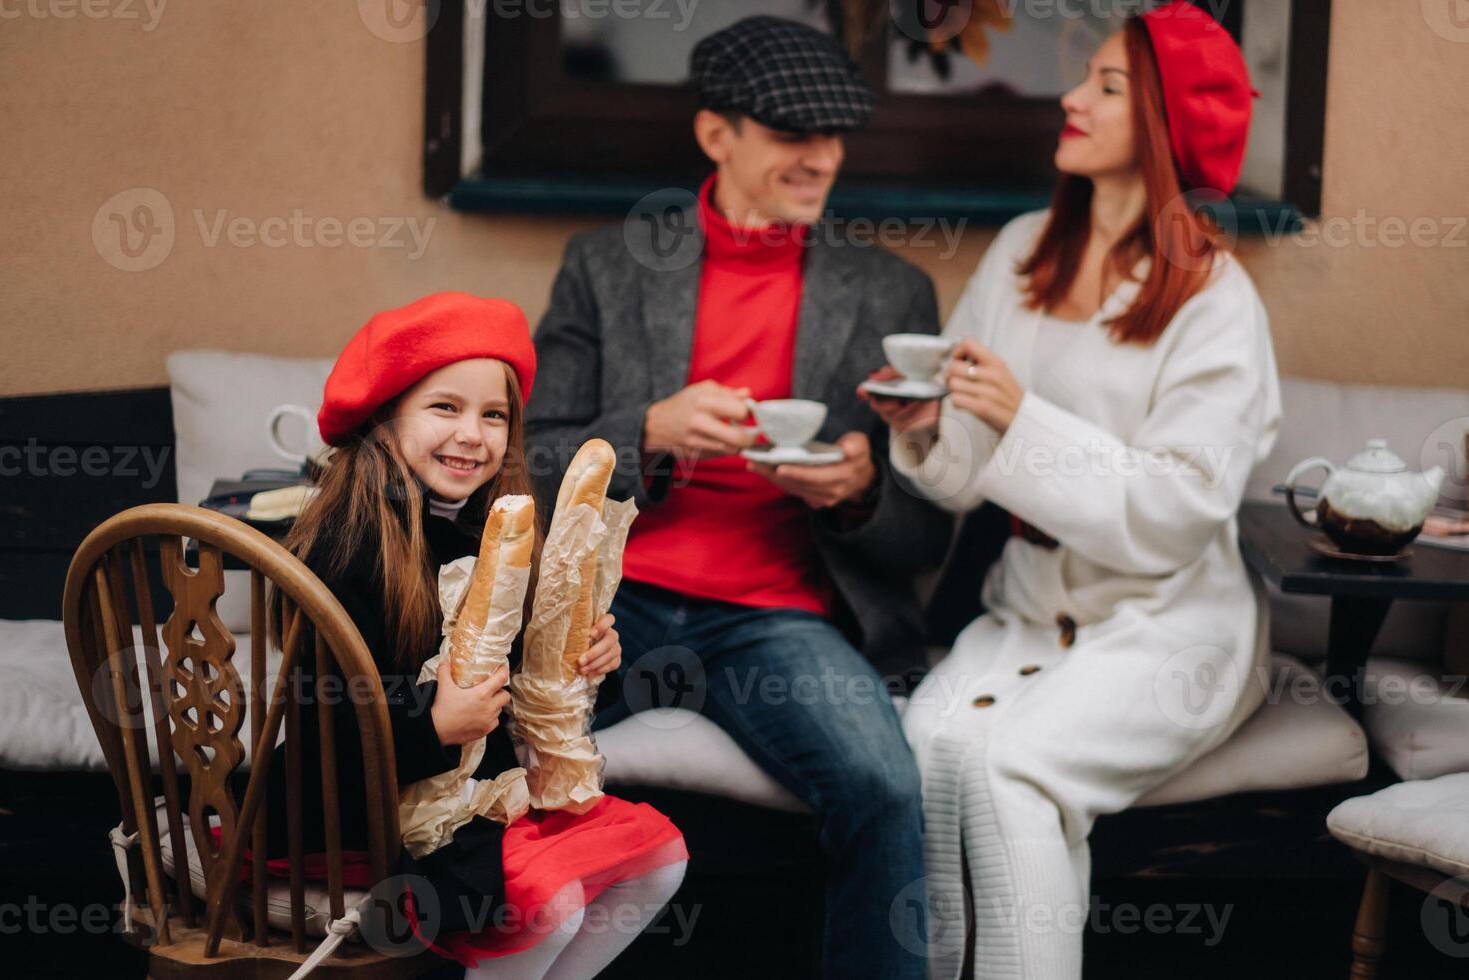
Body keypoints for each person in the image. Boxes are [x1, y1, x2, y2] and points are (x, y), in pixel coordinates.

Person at [526, 16, 953, 979]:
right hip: (613, 602)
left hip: (777, 616)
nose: (822, 160)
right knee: (495, 761)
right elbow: (531, 457)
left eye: (834, 136)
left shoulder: (892, 294)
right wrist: (648, 433)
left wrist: (858, 491)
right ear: (718, 136)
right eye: (794, 136)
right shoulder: (606, 265)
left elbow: (925, 534)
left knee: (886, 786)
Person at [864, 5, 1282, 977]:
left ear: (1167, 126)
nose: (1068, 98)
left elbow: (1178, 514)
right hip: (1028, 607)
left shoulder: (1217, 302)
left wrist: (1020, 418)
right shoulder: (1018, 255)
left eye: (1104, 86)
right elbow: (972, 473)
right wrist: (931, 432)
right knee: (928, 747)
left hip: (1170, 621)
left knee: (1014, 764)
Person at [265, 291, 688, 979]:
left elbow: (519, 695)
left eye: (494, 416)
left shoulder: (499, 527)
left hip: (481, 791)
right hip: (363, 808)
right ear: (384, 417)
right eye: (445, 408)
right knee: (553, 904)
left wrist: (582, 664)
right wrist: (432, 722)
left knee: (659, 864)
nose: (473, 434)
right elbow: (325, 722)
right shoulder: (349, 547)